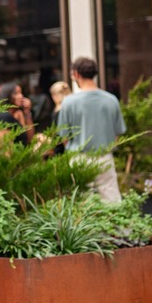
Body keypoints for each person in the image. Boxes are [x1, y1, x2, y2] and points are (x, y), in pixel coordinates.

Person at [57, 57, 126, 202]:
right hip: (105, 157)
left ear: (76, 74)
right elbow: (117, 135)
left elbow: (63, 137)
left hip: (79, 158)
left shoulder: (69, 102)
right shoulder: (111, 99)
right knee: (111, 201)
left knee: (82, 203)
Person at [49, 81, 72, 155]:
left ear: (55, 95)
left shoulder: (58, 111)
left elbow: (60, 134)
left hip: (61, 148)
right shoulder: (72, 108)